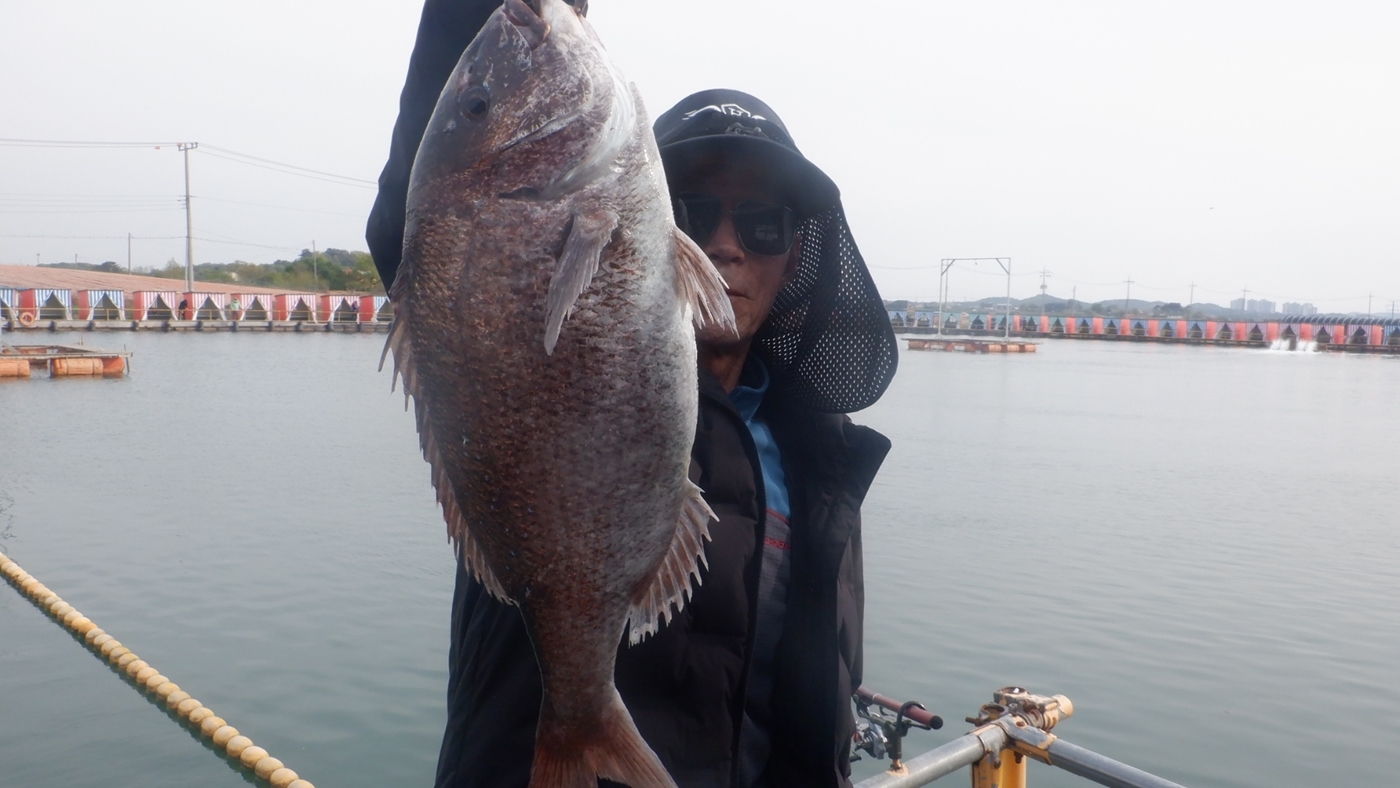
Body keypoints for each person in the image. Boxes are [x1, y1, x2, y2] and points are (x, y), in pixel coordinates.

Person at [366, 5, 898, 787]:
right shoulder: (523, 291)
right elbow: (437, 221)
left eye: (763, 224)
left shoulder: (818, 453)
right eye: (693, 211)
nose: (726, 244)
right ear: (650, 221)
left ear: (795, 258)